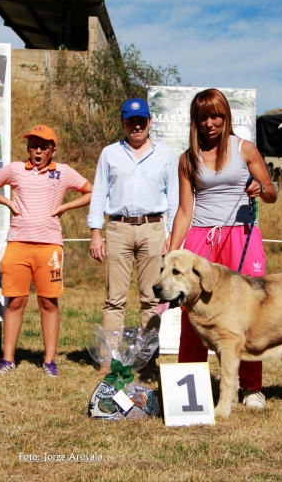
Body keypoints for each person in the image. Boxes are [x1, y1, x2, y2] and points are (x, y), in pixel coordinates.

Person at [169, 89, 277, 409]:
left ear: (226, 115)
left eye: (216, 115)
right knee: (195, 312)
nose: (210, 123)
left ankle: (251, 386)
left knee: (248, 313)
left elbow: (271, 191)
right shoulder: (188, 159)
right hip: (201, 239)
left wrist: (261, 188)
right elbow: (185, 211)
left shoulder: (244, 149)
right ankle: (190, 382)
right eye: (203, 117)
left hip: (241, 235)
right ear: (196, 121)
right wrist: (173, 253)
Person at [0, 125, 93, 376]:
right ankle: (7, 360)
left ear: (52, 150)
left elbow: (91, 191)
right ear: (28, 148)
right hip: (17, 244)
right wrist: (7, 202)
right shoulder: (14, 169)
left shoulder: (64, 171)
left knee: (48, 302)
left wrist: (65, 208)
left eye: (43, 146)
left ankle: (49, 362)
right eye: (33, 145)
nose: (37, 151)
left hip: (49, 247)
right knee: (16, 301)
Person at [88, 97, 179, 373]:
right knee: (114, 298)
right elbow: (99, 193)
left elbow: (173, 197)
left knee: (152, 298)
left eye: (141, 121)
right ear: (123, 123)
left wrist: (172, 237)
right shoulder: (109, 153)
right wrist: (95, 232)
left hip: (154, 229)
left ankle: (148, 359)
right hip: (118, 228)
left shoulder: (166, 155)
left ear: (150, 122)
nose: (136, 126)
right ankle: (109, 359)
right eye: (131, 121)